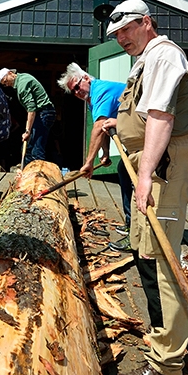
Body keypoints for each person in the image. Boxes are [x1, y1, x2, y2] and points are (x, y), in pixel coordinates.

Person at [106, 0, 188, 375]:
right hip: (154, 163)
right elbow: (144, 116)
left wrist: (145, 173)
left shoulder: (164, 55)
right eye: (116, 35)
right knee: (144, 250)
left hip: (167, 164)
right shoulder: (145, 59)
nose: (121, 39)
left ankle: (168, 366)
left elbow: (162, 118)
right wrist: (118, 123)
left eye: (127, 29)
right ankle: (175, 333)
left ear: (146, 22)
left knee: (161, 256)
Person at [58, 63, 134, 250]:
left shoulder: (100, 90)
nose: (77, 92)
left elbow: (99, 127)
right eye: (73, 91)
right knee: (124, 171)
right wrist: (105, 153)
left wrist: (88, 162)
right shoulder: (93, 99)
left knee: (133, 178)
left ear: (85, 78)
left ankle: (135, 236)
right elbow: (106, 125)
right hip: (136, 137)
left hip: (146, 137)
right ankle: (131, 223)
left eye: (77, 86)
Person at [0, 68, 56, 163]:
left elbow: (31, 109)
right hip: (42, 113)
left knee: (36, 149)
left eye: (5, 81)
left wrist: (27, 131)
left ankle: (37, 175)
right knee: (28, 148)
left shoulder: (22, 86)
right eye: (4, 84)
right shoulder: (23, 77)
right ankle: (27, 172)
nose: (6, 84)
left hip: (43, 113)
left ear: (10, 73)